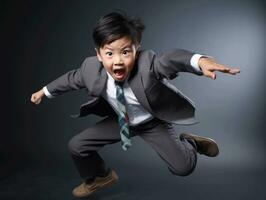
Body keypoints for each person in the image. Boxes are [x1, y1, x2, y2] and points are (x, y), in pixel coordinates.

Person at [31, 11, 240, 198]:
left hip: (152, 121)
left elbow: (171, 59)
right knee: (76, 146)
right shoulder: (90, 69)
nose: (118, 61)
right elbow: (70, 79)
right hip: (121, 120)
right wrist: (44, 91)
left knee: (183, 168)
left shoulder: (148, 65)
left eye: (125, 52)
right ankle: (101, 177)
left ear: (137, 50)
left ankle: (191, 144)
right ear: (98, 54)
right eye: (109, 53)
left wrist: (199, 61)